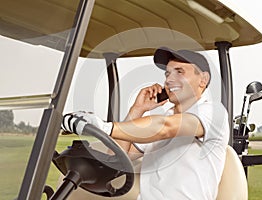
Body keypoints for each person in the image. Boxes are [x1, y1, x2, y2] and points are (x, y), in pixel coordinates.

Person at [62, 47, 229, 200]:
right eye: (167, 74)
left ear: (203, 80)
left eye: (179, 72)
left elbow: (166, 128)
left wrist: (105, 127)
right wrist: (137, 110)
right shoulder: (160, 120)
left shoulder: (213, 112)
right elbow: (116, 159)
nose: (169, 80)